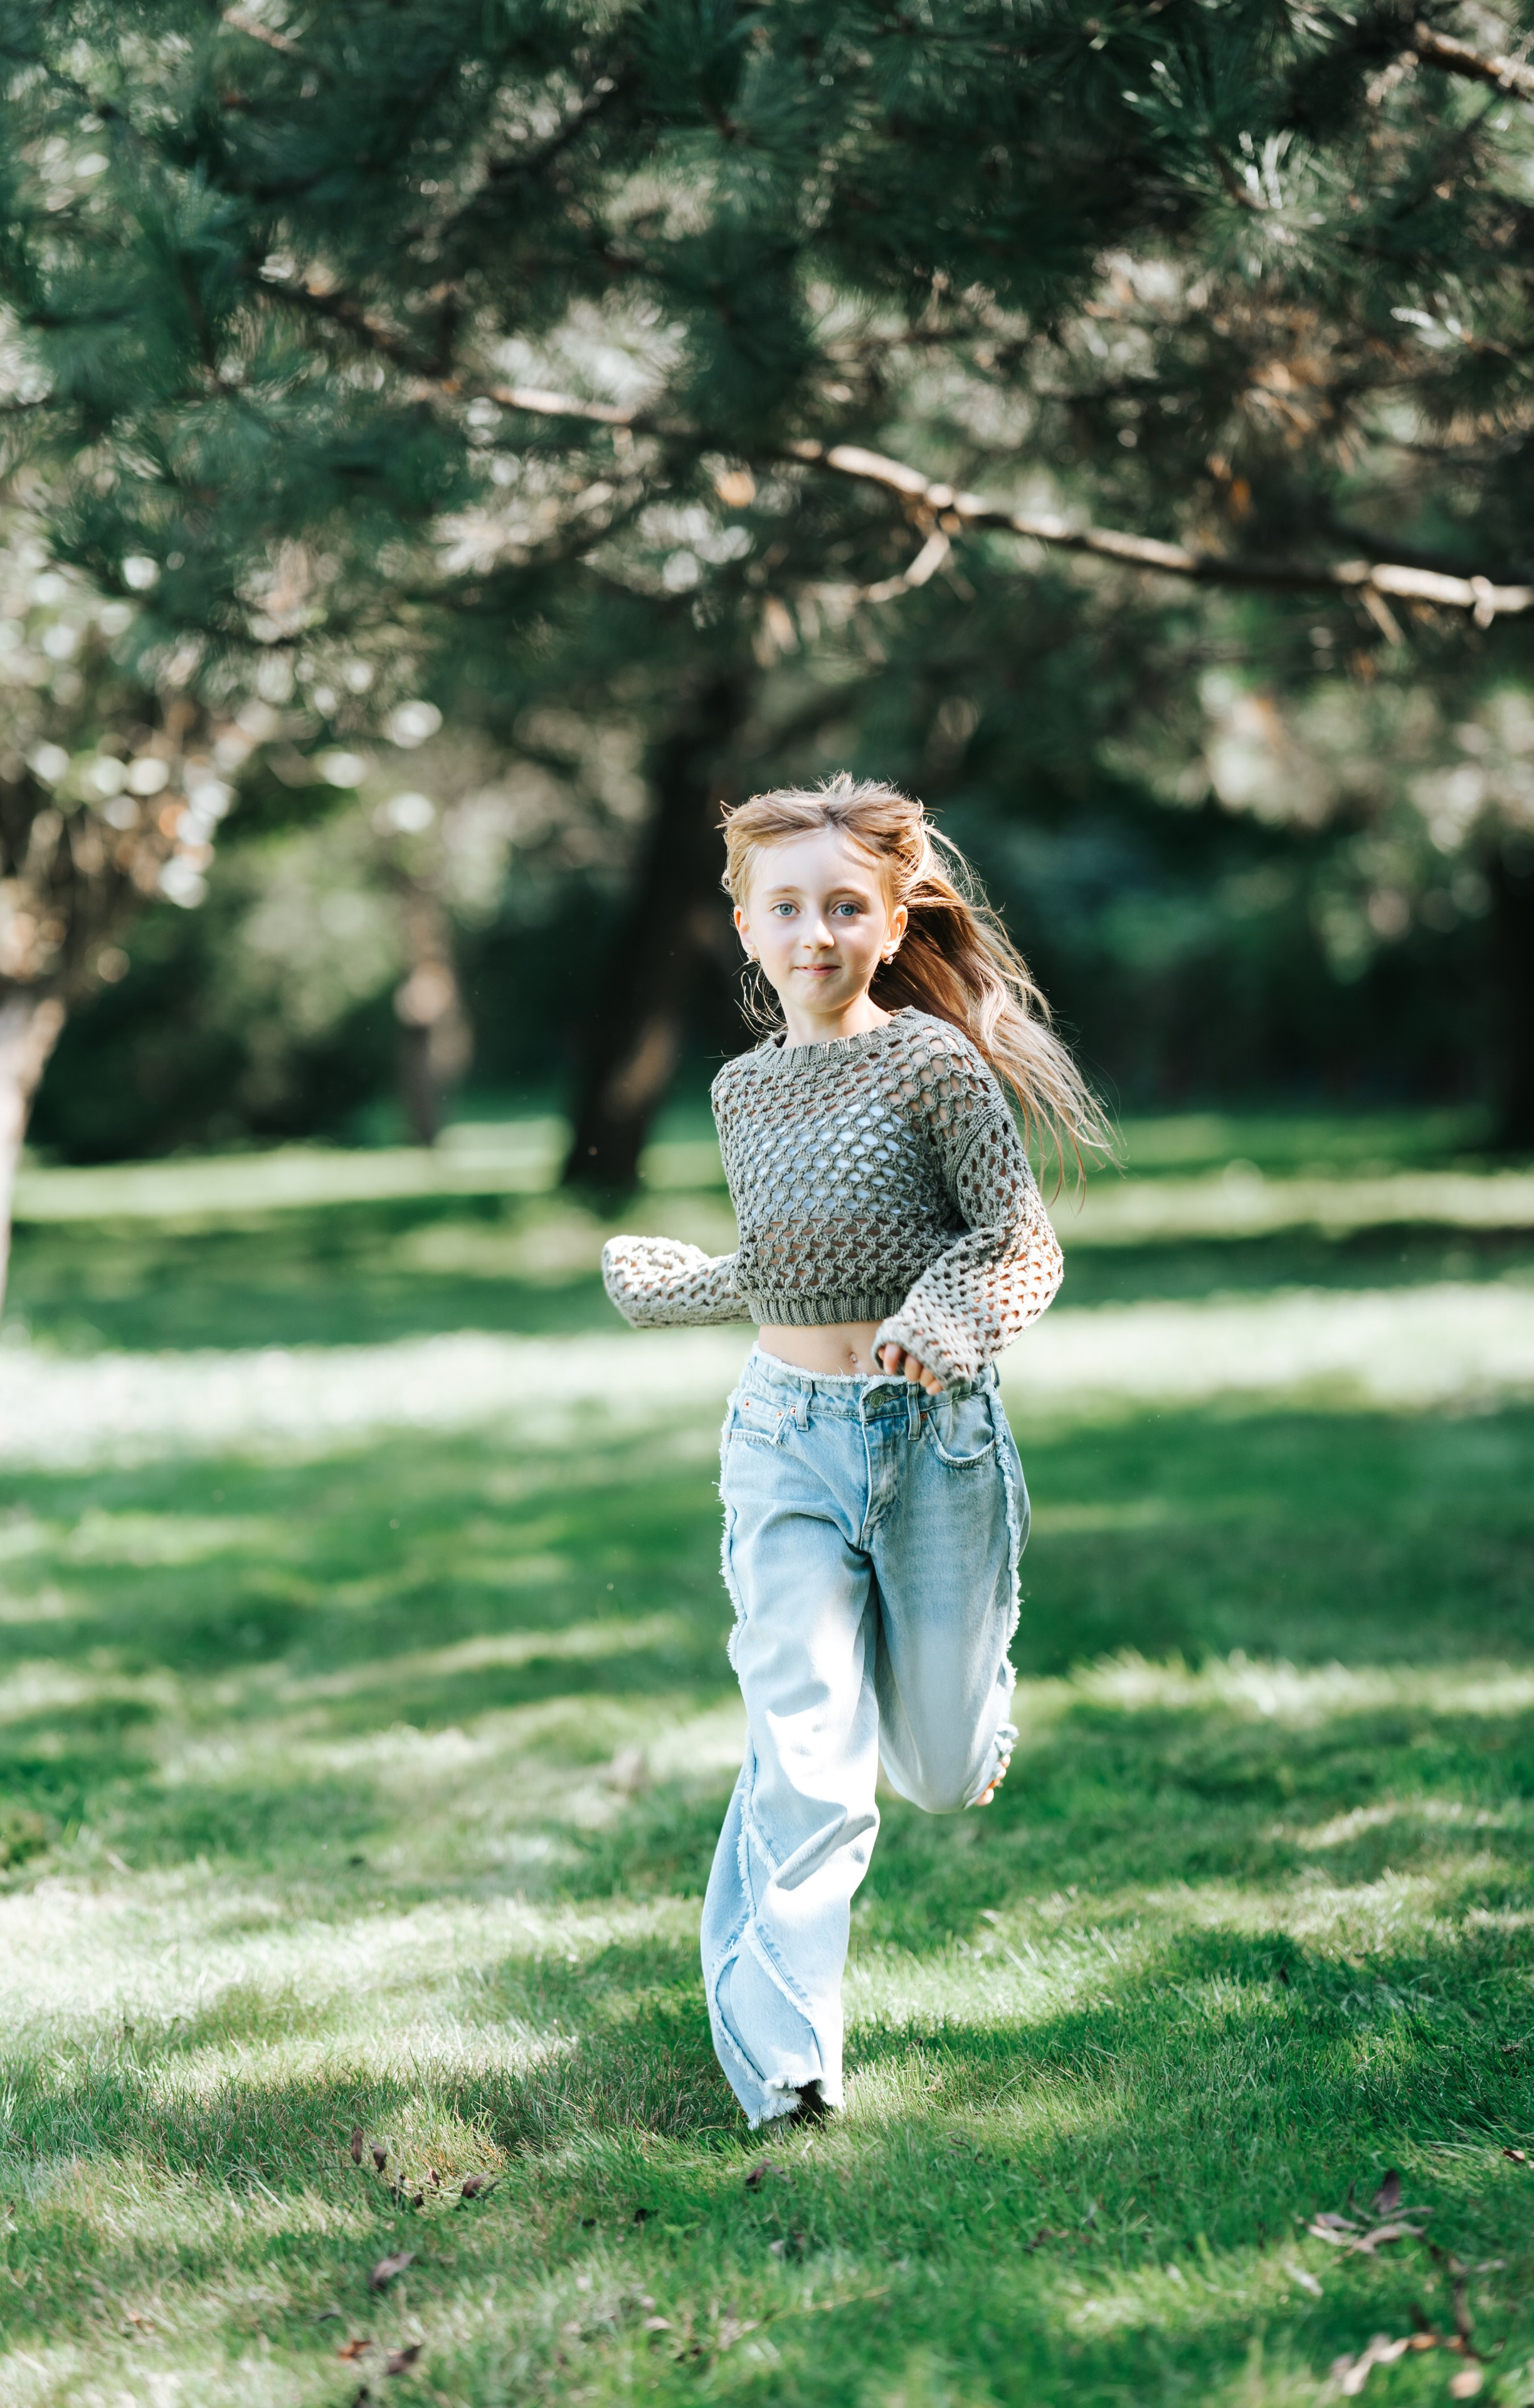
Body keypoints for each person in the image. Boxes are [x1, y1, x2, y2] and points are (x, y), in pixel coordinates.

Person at [601, 773, 1112, 2128]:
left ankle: (970, 1709)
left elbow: (1016, 1240)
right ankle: (789, 2070)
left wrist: (945, 1324)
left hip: (928, 1442)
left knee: (933, 1768)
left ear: (890, 923)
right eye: (786, 908)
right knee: (808, 1755)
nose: (814, 933)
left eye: (843, 907)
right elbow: (798, 1261)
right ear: (746, 926)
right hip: (781, 1440)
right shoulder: (738, 1094)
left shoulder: (931, 1065)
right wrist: (693, 1286)